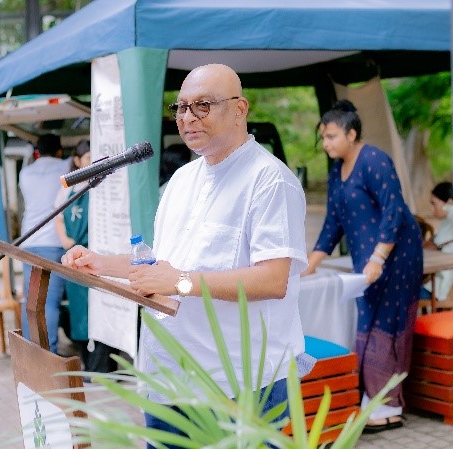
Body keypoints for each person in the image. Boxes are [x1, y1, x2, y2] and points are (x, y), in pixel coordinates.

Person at [62, 64, 308, 447]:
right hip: (168, 375)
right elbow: (163, 265)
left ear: (240, 109)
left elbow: (273, 279)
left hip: (238, 382)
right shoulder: (181, 179)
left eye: (202, 105)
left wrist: (179, 282)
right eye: (180, 107)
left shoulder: (269, 180)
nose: (187, 117)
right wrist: (101, 264)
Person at [302, 100, 423, 433]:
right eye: (323, 138)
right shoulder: (336, 169)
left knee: (386, 324)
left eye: (331, 136)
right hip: (367, 261)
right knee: (368, 323)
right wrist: (311, 264)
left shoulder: (374, 160)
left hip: (395, 256)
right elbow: (333, 221)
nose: (325, 144)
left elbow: (394, 210)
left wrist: (378, 258)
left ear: (351, 134)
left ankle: (389, 408)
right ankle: (376, 401)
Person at [54, 139, 118, 374]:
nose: (92, 162)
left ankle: (104, 368)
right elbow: (58, 217)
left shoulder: (105, 185)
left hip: (99, 257)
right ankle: (88, 365)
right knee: (80, 312)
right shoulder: (68, 187)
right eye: (88, 157)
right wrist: (65, 241)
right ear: (78, 160)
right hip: (75, 260)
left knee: (102, 310)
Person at [18, 133, 71, 352]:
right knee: (49, 302)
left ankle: (29, 353)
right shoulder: (65, 167)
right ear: (59, 151)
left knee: (31, 301)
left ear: (37, 152)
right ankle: (49, 354)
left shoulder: (25, 173)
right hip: (53, 242)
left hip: (28, 242)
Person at [421, 182, 453, 302]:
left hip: (437, 290)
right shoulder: (447, 223)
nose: (432, 209)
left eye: (434, 204)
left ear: (450, 203)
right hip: (432, 285)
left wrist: (449, 205)